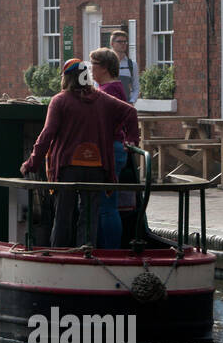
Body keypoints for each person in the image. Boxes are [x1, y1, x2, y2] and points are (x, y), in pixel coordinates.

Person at [20, 58, 139, 247]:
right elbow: (130, 113)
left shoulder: (59, 101)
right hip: (97, 167)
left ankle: (59, 254)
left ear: (66, 78)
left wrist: (32, 163)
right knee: (89, 216)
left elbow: (47, 134)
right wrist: (132, 139)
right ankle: (86, 254)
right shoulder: (103, 100)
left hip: (67, 168)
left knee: (62, 216)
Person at [90, 47, 139, 247]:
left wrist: (132, 138)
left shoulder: (109, 90)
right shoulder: (112, 88)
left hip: (110, 148)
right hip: (111, 147)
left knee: (107, 204)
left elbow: (124, 115)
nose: (90, 69)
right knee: (106, 203)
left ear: (104, 67)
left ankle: (110, 250)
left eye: (93, 64)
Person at [110, 30, 139, 103]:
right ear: (112, 44)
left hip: (125, 106)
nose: (123, 44)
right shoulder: (105, 63)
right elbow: (97, 86)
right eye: (119, 42)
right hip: (108, 106)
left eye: (125, 42)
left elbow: (136, 88)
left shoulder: (132, 65)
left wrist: (132, 101)